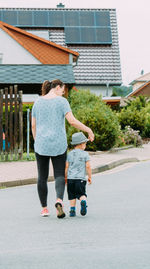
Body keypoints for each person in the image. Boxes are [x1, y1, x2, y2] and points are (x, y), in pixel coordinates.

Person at [31, 79, 94, 218]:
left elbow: (33, 126)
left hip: (41, 144)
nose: (63, 93)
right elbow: (72, 121)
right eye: (63, 90)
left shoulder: (37, 102)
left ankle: (44, 209)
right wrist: (88, 130)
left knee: (42, 177)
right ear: (57, 87)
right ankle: (59, 200)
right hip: (58, 144)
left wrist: (37, 141)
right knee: (59, 174)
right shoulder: (62, 102)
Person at [65, 132, 92, 217]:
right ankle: (83, 201)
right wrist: (90, 177)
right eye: (85, 143)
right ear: (81, 144)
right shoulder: (85, 154)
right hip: (80, 179)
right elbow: (88, 166)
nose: (85, 146)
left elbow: (66, 166)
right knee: (81, 194)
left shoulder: (69, 154)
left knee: (72, 195)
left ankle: (72, 211)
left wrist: (65, 177)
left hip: (70, 179)